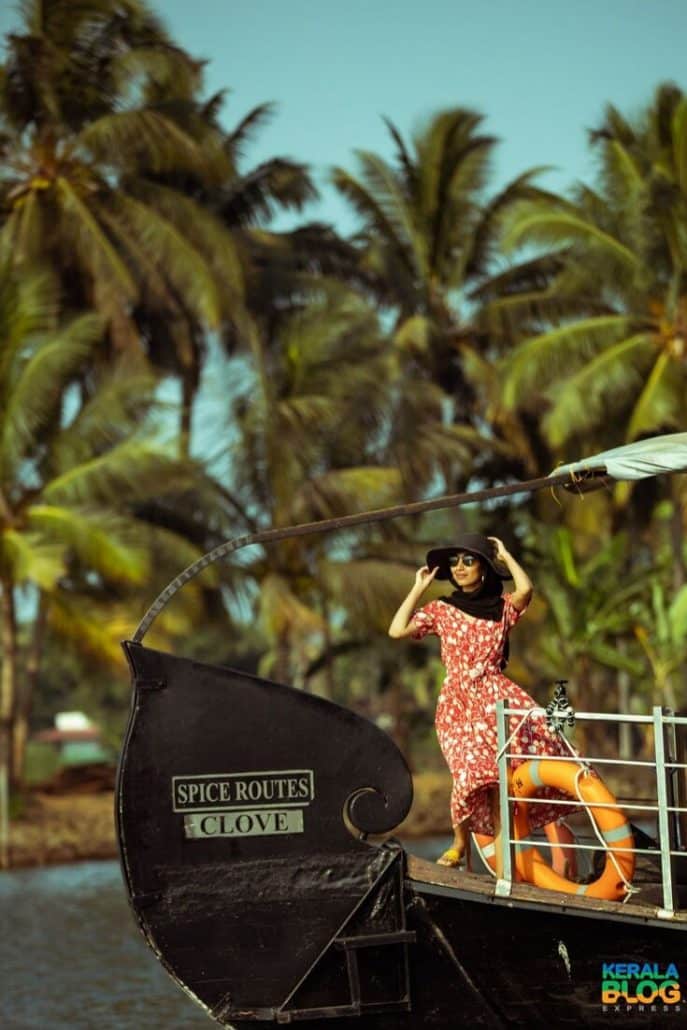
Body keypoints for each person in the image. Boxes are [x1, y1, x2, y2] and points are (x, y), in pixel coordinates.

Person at [388, 532, 575, 875]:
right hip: (456, 704)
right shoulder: (442, 609)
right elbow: (396, 630)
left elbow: (526, 591)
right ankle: (459, 842)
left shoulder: (502, 607)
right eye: (455, 562)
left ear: (485, 569)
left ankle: (507, 872)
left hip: (494, 699)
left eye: (468, 560)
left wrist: (506, 556)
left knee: (500, 780)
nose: (459, 567)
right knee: (468, 771)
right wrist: (418, 588)